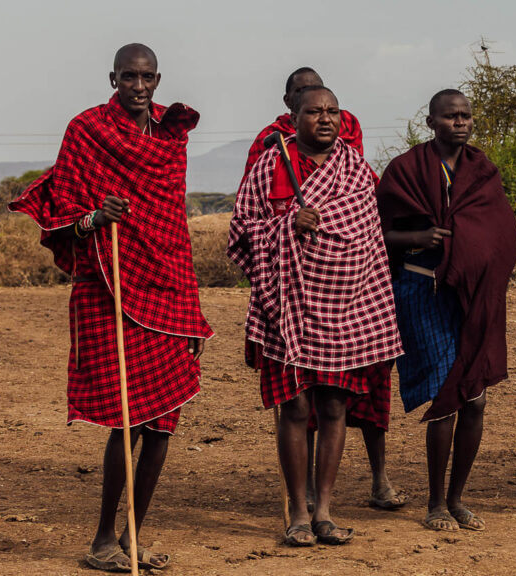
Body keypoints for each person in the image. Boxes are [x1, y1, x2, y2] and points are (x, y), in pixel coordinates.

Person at [8, 43, 212, 572]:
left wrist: (190, 305)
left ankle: (132, 541)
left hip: (167, 286)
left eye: (146, 77)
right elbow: (61, 209)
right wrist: (97, 218)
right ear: (113, 78)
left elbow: (174, 227)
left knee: (163, 422)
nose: (138, 86)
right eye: (128, 77)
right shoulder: (88, 130)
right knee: (128, 420)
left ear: (158, 78)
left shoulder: (170, 138)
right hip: (109, 285)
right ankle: (102, 539)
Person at [228, 86, 403, 545]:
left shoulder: (358, 169)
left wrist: (325, 239)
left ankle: (325, 510)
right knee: (295, 406)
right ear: (294, 116)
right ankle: (298, 512)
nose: (325, 119)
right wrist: (287, 224)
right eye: (314, 112)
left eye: (333, 112)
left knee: (333, 405)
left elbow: (368, 237)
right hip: (286, 304)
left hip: (348, 307)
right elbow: (241, 231)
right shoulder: (270, 163)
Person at [376, 89, 516, 532]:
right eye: (450, 116)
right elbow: (376, 233)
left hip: (475, 299)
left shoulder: (484, 172)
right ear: (431, 122)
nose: (460, 122)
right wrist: (416, 240)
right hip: (423, 292)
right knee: (446, 395)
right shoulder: (405, 170)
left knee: (475, 396)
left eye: (466, 116)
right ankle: (435, 503)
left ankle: (457, 499)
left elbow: (501, 234)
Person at [242, 67, 365, 181]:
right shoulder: (272, 136)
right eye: (301, 91)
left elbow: (356, 176)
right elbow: (254, 185)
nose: (310, 95)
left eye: (316, 89)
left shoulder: (347, 124)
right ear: (287, 100)